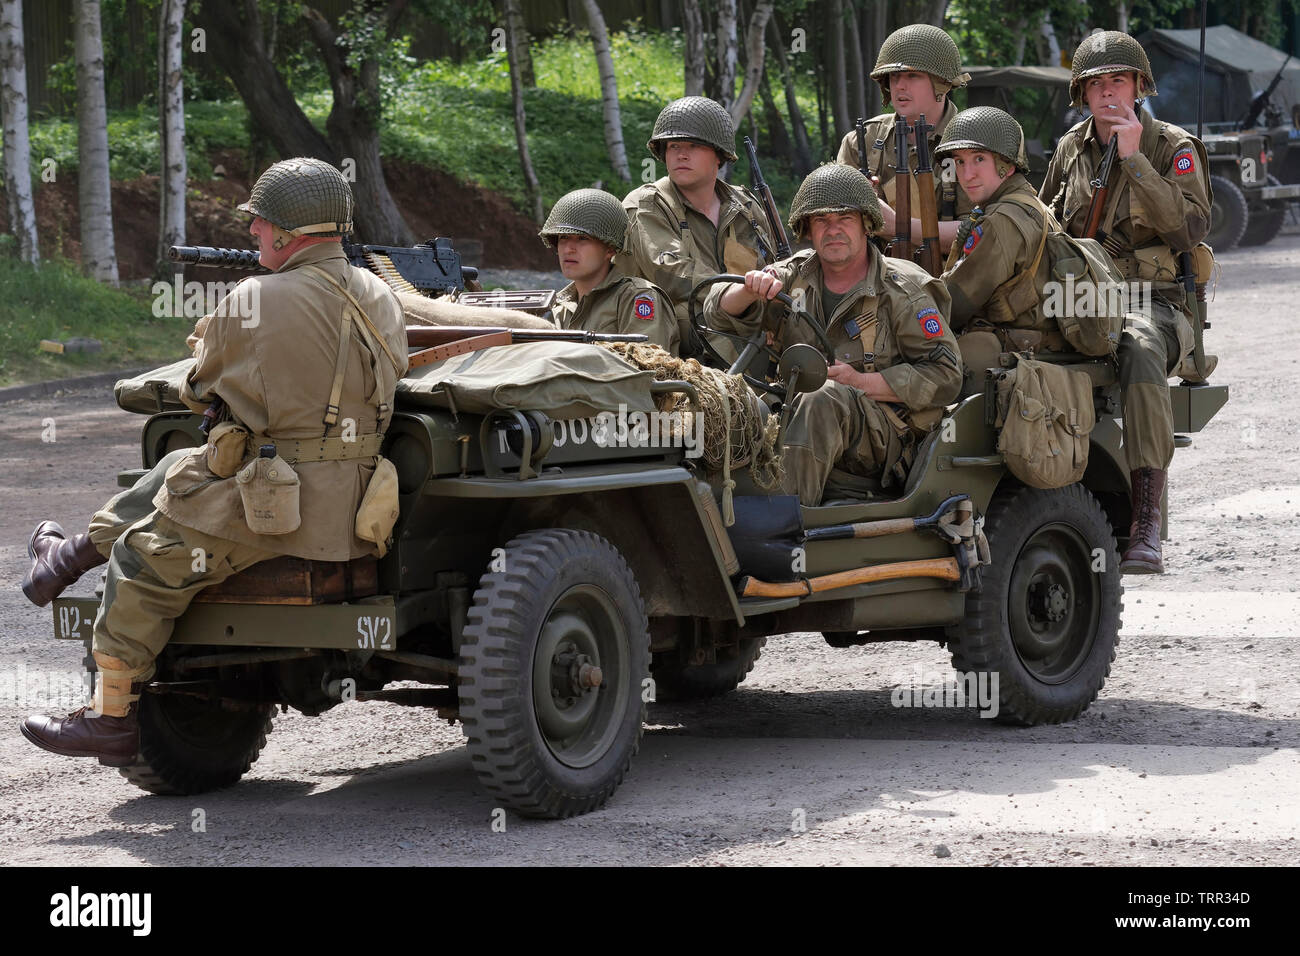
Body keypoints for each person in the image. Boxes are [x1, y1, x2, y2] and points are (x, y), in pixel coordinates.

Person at [21, 157, 408, 764]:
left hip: (278, 505)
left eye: (260, 223)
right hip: (356, 501)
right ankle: (64, 559)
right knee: (178, 473)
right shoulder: (381, 296)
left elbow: (200, 389)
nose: (252, 232)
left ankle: (112, 719)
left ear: (288, 233)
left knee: (138, 563)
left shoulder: (257, 297)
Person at [1040, 30, 1211, 574]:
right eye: (1096, 85)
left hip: (1157, 302)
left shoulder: (1172, 148)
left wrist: (1136, 162)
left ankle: (1145, 520)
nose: (1108, 94)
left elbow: (1191, 230)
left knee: (1135, 347)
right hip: (1082, 294)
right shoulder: (1072, 148)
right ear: (1082, 95)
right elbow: (1042, 220)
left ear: (1139, 86)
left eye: (1118, 82)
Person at [705, 164, 961, 506]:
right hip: (791, 412)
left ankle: (786, 521)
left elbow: (946, 376)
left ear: (867, 225)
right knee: (712, 397)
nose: (833, 230)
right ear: (808, 229)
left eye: (845, 219)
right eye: (822, 221)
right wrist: (750, 290)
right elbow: (715, 311)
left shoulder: (903, 291)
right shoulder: (795, 274)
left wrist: (861, 382)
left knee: (822, 397)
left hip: (881, 436)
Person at [617, 96, 775, 344]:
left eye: (693, 146)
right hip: (672, 332)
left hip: (742, 321)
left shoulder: (745, 206)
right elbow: (670, 272)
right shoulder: (647, 205)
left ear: (718, 155)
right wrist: (733, 293)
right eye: (673, 146)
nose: (681, 155)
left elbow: (773, 266)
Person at [936, 106, 1069, 391]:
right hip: (1036, 337)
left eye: (979, 159)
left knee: (928, 368)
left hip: (1021, 345)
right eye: (959, 161)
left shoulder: (1000, 221)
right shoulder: (1030, 203)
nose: (966, 174)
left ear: (1006, 165)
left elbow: (955, 304)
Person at [835, 23, 972, 255]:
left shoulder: (973, 141)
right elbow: (834, 225)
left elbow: (981, 232)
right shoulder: (861, 142)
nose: (900, 85)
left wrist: (895, 225)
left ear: (941, 83)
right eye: (894, 76)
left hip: (953, 281)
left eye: (912, 75)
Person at [540, 188, 677, 354]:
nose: (568, 249)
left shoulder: (636, 297)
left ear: (610, 249)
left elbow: (647, 366)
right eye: (563, 238)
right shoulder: (559, 307)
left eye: (583, 239)